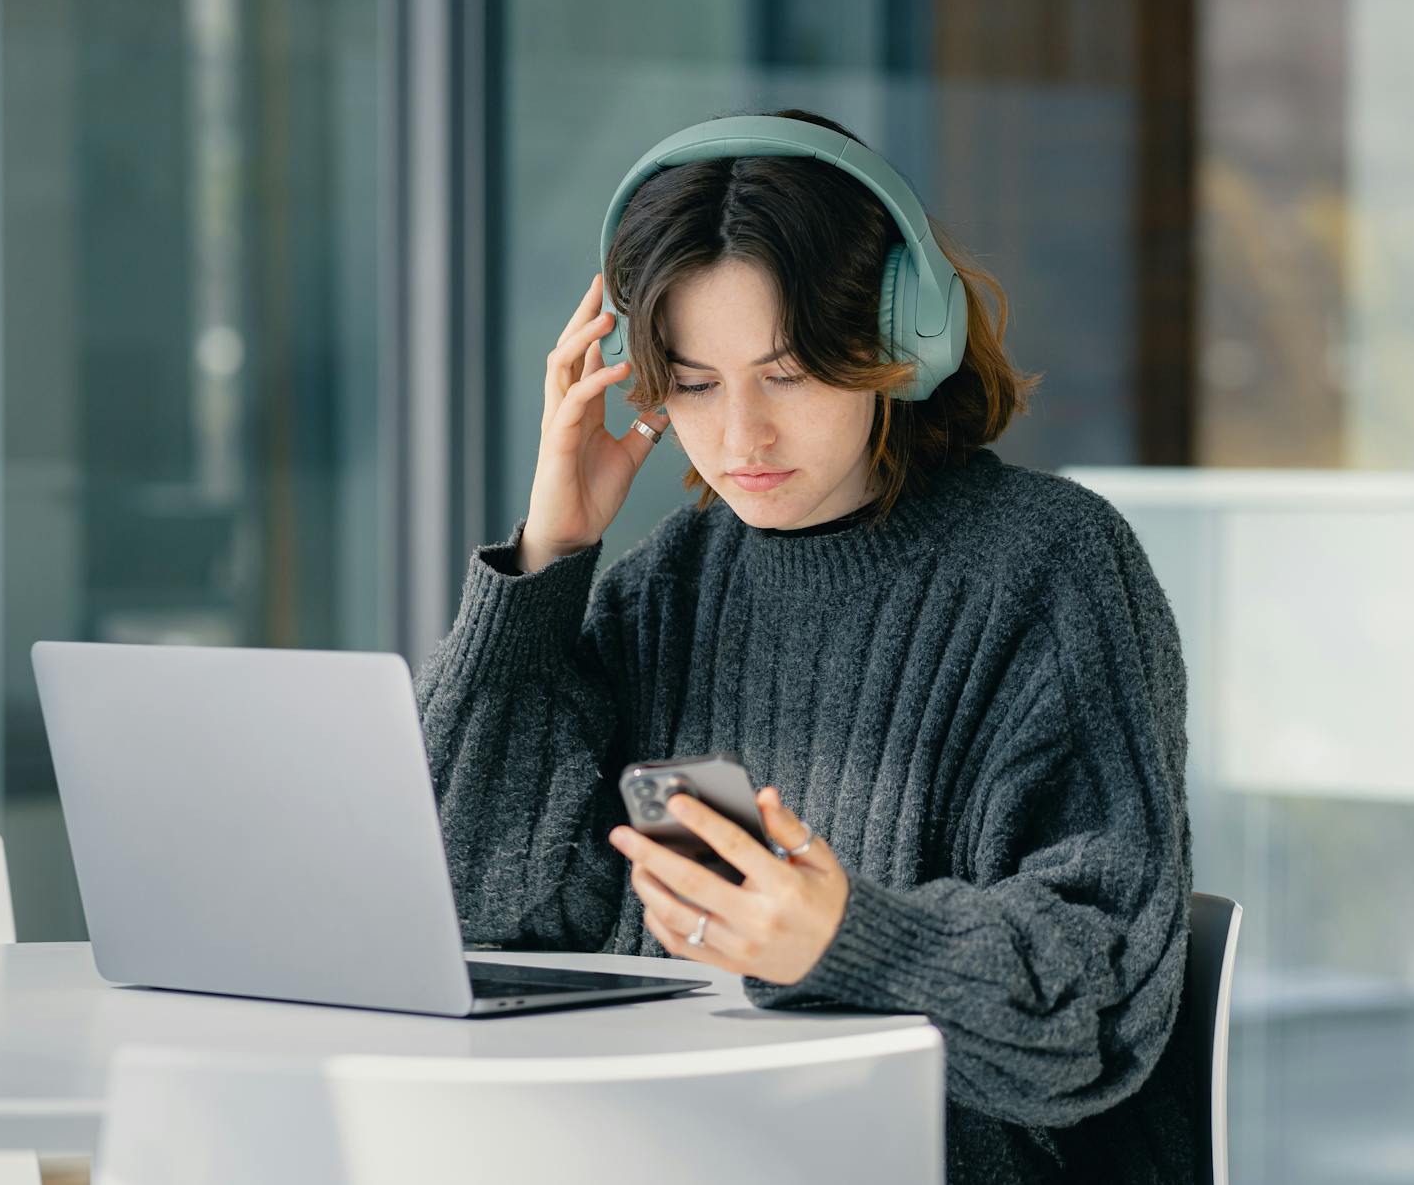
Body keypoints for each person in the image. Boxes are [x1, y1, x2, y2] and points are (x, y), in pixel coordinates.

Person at [413, 108, 1197, 1183]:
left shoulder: (1049, 566)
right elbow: (485, 910)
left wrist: (844, 938)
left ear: (898, 342)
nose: (740, 437)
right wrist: (548, 560)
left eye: (784, 373)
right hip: (655, 1143)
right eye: (692, 382)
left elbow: (1093, 997)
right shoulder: (667, 584)